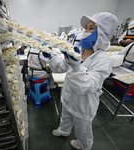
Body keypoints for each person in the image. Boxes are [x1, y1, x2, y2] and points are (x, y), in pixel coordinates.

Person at [42, 12, 119, 150]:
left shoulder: (103, 60)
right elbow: (61, 67)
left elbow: (89, 85)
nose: (85, 31)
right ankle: (64, 131)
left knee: (82, 128)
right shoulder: (79, 51)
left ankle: (84, 144)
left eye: (91, 28)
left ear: (103, 34)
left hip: (84, 104)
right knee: (65, 117)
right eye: (86, 28)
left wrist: (77, 67)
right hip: (68, 97)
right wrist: (51, 57)